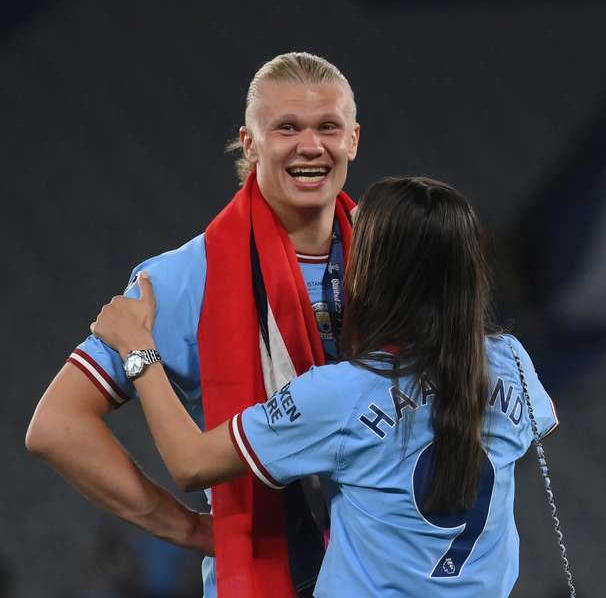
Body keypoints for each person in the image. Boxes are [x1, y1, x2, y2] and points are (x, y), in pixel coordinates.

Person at [89, 176, 559, 597]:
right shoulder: (509, 359)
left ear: (373, 274)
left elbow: (191, 463)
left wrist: (138, 350)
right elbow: (526, 431)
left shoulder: (342, 393)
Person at [25, 52, 360, 597]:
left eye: (328, 127)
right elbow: (57, 427)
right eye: (286, 128)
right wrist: (188, 528)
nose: (310, 146)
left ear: (353, 139)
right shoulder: (188, 277)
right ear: (250, 144)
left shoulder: (396, 257)